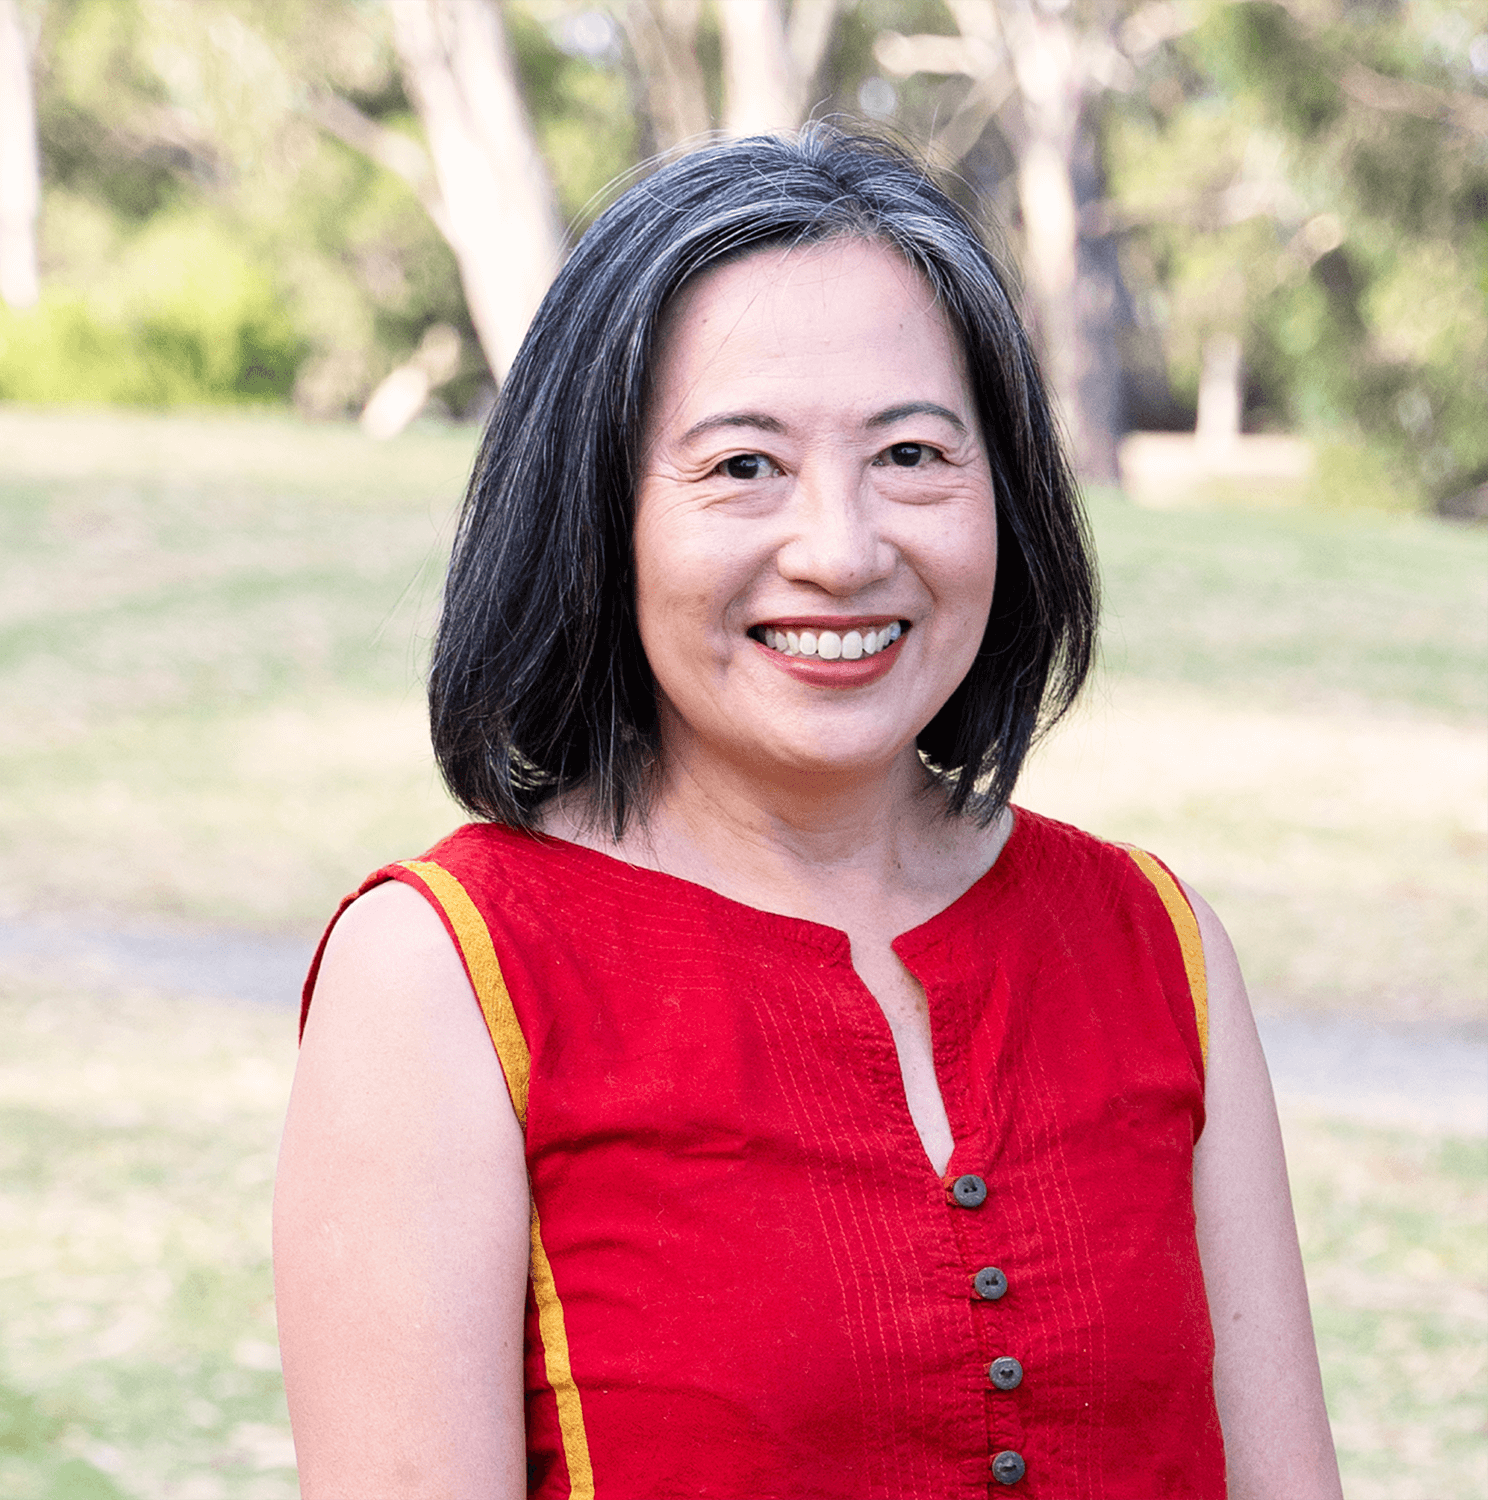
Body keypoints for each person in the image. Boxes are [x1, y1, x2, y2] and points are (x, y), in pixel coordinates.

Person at [273, 128, 1343, 1499]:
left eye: (911, 453)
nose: (841, 550)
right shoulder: (441, 975)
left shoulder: (1154, 943)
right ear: (600, 509)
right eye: (743, 466)